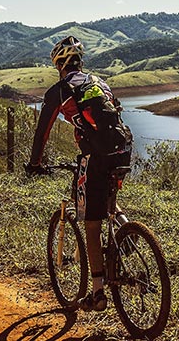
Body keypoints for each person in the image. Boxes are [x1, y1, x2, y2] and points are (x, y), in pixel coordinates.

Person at [27, 36, 133, 312]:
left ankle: (97, 294)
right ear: (79, 62)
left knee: (91, 223)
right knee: (107, 199)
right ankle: (128, 229)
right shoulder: (99, 82)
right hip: (122, 149)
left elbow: (42, 132)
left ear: (59, 65)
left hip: (95, 157)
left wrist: (35, 163)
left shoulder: (59, 91)